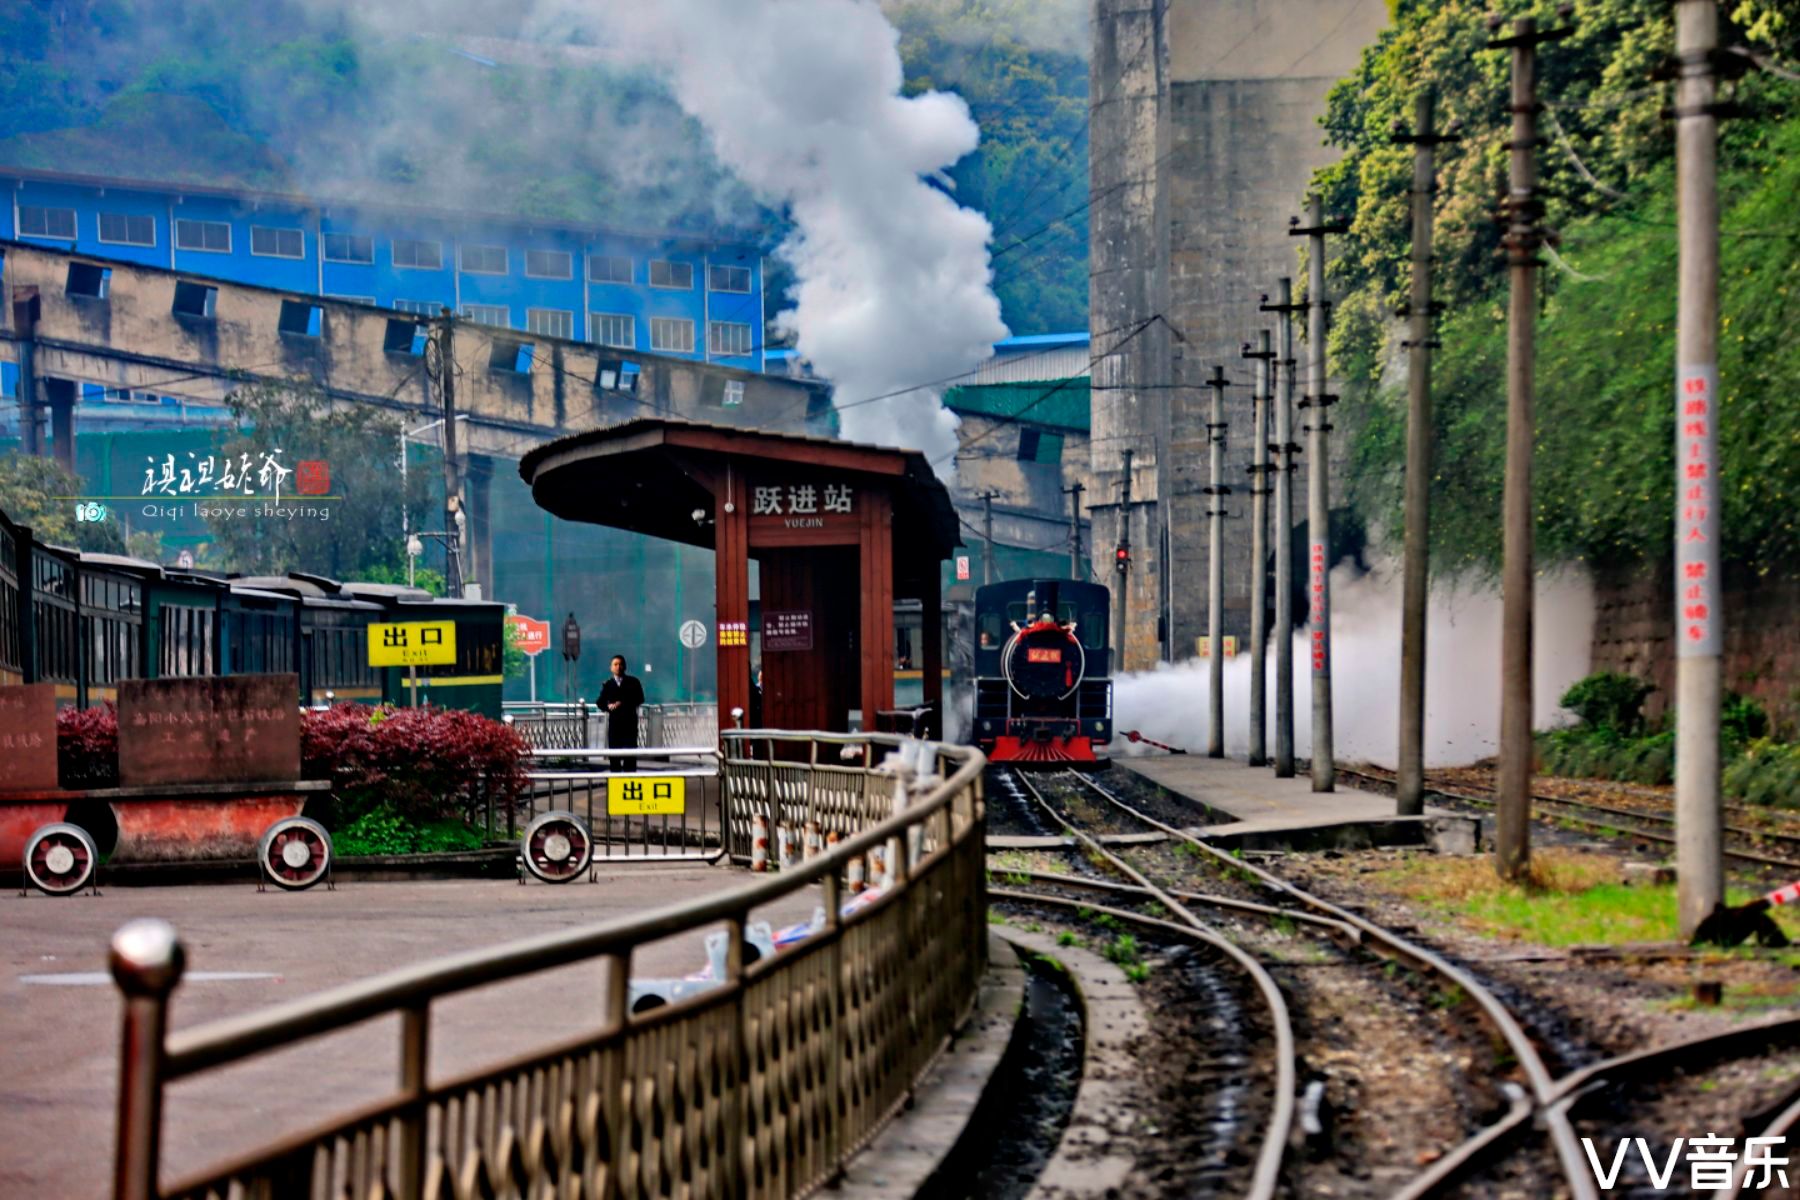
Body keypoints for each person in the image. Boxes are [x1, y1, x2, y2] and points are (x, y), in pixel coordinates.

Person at [598, 655, 645, 772]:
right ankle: (615, 782)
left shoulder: (633, 682)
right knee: (614, 756)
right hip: (615, 725)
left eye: (620, 664)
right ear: (611, 668)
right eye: (615, 664)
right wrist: (608, 707)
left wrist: (621, 703)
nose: (618, 667)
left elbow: (640, 698)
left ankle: (630, 781)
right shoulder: (608, 684)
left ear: (625, 666)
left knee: (630, 756)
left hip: (629, 724)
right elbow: (600, 702)